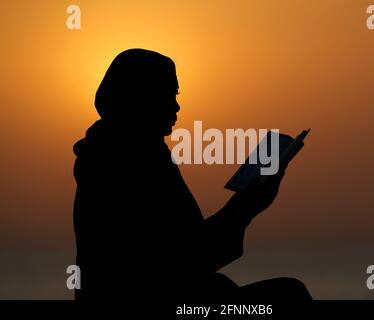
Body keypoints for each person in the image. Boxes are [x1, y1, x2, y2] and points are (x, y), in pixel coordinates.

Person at [72, 49, 311, 303]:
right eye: (167, 95)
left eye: (176, 95)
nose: (176, 106)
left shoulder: (119, 152)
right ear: (140, 98)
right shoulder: (125, 161)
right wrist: (245, 207)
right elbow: (182, 261)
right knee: (290, 296)